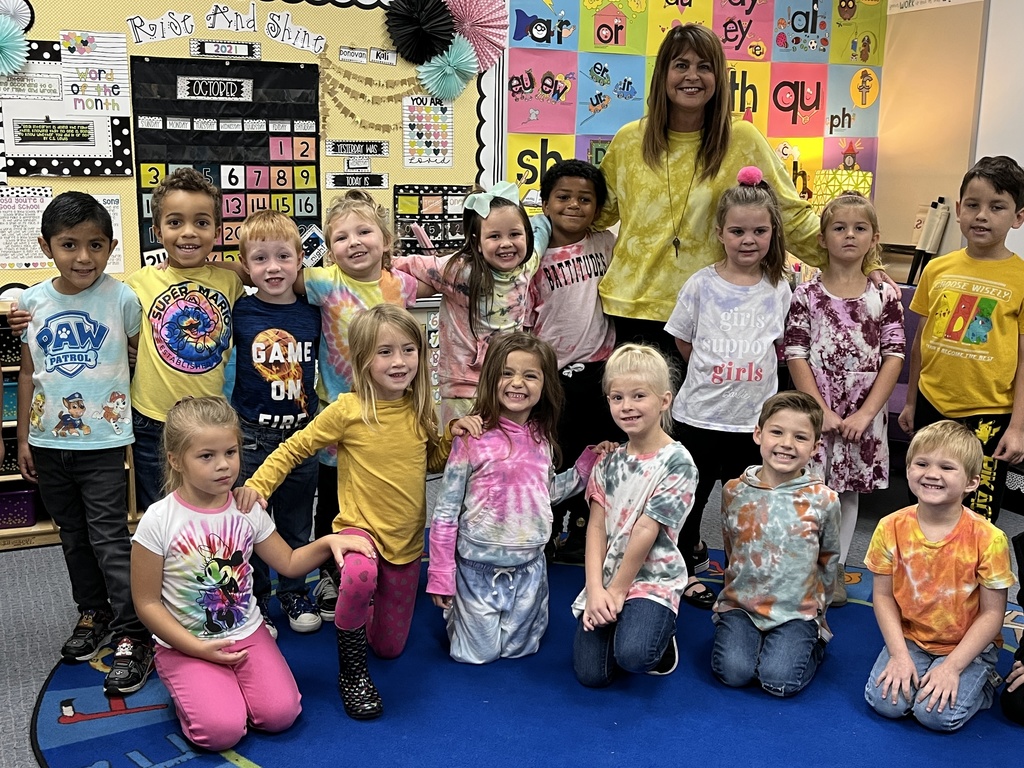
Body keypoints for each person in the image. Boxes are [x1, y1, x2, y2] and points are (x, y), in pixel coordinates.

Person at [241, 304, 451, 719]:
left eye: (408, 350)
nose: (399, 362)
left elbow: (432, 463)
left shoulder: (421, 408)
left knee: (389, 649)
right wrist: (258, 485)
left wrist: (455, 438)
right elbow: (295, 447)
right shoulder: (347, 410)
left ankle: (362, 609)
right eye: (385, 352)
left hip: (407, 543)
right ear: (363, 360)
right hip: (359, 533)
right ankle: (351, 672)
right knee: (358, 576)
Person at [130, 396, 368, 751]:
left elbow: (287, 562)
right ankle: (193, 688)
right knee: (220, 732)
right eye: (206, 456)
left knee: (281, 714)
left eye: (230, 452)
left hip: (247, 632)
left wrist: (328, 543)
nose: (223, 466)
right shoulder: (158, 520)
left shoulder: (246, 508)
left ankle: (224, 688)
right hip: (186, 643)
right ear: (176, 460)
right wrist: (196, 648)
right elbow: (146, 602)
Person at [593, 23, 835, 355]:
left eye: (704, 67)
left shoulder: (743, 139)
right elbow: (593, 215)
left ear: (718, 78)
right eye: (681, 65)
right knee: (640, 409)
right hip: (633, 309)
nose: (692, 76)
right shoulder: (629, 140)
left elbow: (789, 218)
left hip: (717, 309)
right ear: (663, 74)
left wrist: (857, 263)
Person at [15, 192, 152, 696]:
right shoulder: (31, 302)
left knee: (109, 538)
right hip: (48, 441)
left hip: (103, 441)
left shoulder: (121, 299)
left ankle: (132, 632)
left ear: (111, 246)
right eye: (69, 244)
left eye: (96, 245)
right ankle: (91, 612)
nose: (83, 257)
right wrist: (23, 435)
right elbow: (29, 371)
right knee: (71, 536)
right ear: (46, 246)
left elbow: (143, 356)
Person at [427, 332, 604, 664]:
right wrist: (440, 574)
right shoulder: (471, 438)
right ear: (492, 378)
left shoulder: (543, 437)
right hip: (477, 569)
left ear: (545, 384)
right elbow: (445, 512)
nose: (517, 383)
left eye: (530, 375)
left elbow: (544, 493)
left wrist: (586, 465)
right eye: (507, 373)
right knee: (476, 655)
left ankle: (528, 609)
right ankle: (460, 616)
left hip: (529, 570)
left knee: (520, 651)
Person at [664, 167, 792, 609]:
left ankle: (743, 573)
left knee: (746, 507)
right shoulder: (701, 284)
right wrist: (713, 369)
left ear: (773, 232)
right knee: (690, 502)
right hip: (699, 416)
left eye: (759, 231)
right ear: (720, 232)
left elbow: (781, 346)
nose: (748, 240)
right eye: (737, 231)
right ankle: (682, 567)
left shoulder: (779, 287)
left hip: (751, 423)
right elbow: (682, 340)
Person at [784, 192, 905, 605]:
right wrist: (820, 410)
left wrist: (867, 415)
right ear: (822, 238)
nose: (849, 235)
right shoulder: (807, 295)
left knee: (848, 492)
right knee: (809, 487)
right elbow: (795, 351)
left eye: (859, 228)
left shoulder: (884, 296)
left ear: (874, 238)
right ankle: (803, 568)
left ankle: (834, 571)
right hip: (816, 409)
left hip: (863, 412)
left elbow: (894, 355)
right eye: (839, 227)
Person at [864, 420, 1014, 732]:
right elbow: (882, 595)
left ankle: (983, 682)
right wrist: (899, 655)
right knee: (886, 704)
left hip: (967, 646)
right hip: (914, 638)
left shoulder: (989, 538)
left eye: (947, 467)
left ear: (972, 482)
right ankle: (922, 667)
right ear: (908, 470)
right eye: (921, 463)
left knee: (936, 716)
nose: (931, 474)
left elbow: (992, 614)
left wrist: (952, 667)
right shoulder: (890, 526)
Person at [898, 156, 1024, 522]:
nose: (981, 215)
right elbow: (923, 337)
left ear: (1018, 216)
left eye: (996, 207)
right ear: (958, 210)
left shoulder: (1020, 277)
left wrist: (1017, 427)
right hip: (932, 405)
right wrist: (910, 402)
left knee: (976, 517)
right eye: (972, 205)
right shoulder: (937, 269)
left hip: (988, 413)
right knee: (923, 500)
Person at [571, 344, 698, 687]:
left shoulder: (677, 462)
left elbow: (646, 529)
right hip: (609, 575)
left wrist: (616, 591)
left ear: (664, 400)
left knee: (634, 656)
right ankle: (623, 620)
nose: (627, 406)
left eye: (639, 396)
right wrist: (596, 589)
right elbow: (595, 527)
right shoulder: (608, 460)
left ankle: (660, 636)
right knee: (591, 675)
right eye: (617, 398)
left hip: (651, 577)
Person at [128, 168, 244, 512]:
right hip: (154, 419)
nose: (189, 232)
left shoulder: (230, 282)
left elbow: (263, 268)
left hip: (213, 422)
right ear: (157, 231)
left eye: (202, 222)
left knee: (214, 506)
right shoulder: (138, 283)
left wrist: (232, 266)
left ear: (217, 231)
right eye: (175, 222)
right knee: (159, 511)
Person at [711, 391, 840, 698]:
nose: (786, 444)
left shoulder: (824, 501)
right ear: (759, 434)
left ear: (815, 447)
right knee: (734, 673)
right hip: (741, 605)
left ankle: (813, 642)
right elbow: (731, 546)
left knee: (778, 681)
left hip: (796, 611)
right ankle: (743, 636)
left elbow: (828, 559)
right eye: (777, 432)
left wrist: (818, 610)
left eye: (800, 437)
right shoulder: (734, 490)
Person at [230, 210, 321, 637]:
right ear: (246, 266)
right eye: (261, 258)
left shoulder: (313, 310)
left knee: (296, 521)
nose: (273, 267)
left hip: (302, 435)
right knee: (251, 522)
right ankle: (256, 599)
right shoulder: (241, 311)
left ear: (301, 260)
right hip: (251, 435)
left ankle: (294, 591)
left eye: (283, 256)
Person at [527, 159, 619, 563]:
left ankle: (583, 534)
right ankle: (543, 530)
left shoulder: (606, 244)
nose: (574, 206)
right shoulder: (531, 253)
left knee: (595, 452)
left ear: (598, 207)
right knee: (551, 453)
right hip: (550, 372)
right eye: (563, 197)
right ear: (545, 203)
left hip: (600, 368)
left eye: (586, 199)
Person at [394, 181, 540, 426]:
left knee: (501, 449)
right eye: (494, 236)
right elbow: (413, 264)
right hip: (463, 385)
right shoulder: (461, 272)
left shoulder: (527, 264)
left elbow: (543, 232)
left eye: (515, 234)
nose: (506, 243)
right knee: (464, 445)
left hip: (506, 379)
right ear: (477, 243)